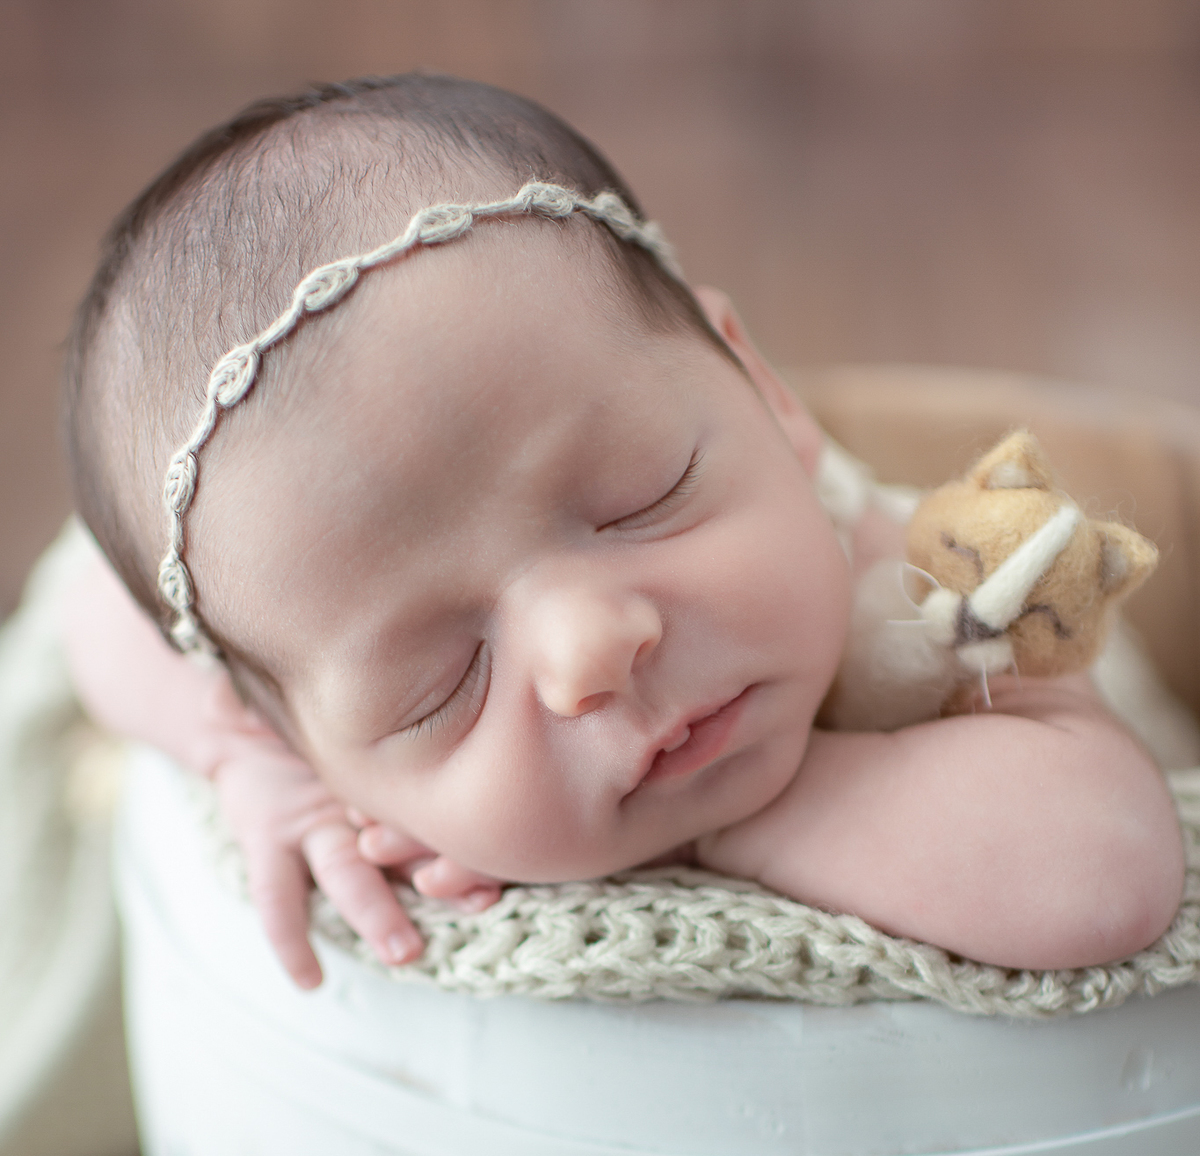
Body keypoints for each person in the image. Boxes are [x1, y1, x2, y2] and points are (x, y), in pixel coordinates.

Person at [61, 73, 1185, 989]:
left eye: (643, 497)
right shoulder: (285, 691)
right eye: (438, 683)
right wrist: (254, 769)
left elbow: (1107, 875)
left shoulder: (907, 600)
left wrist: (724, 830)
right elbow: (90, 610)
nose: (590, 648)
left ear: (767, 395)